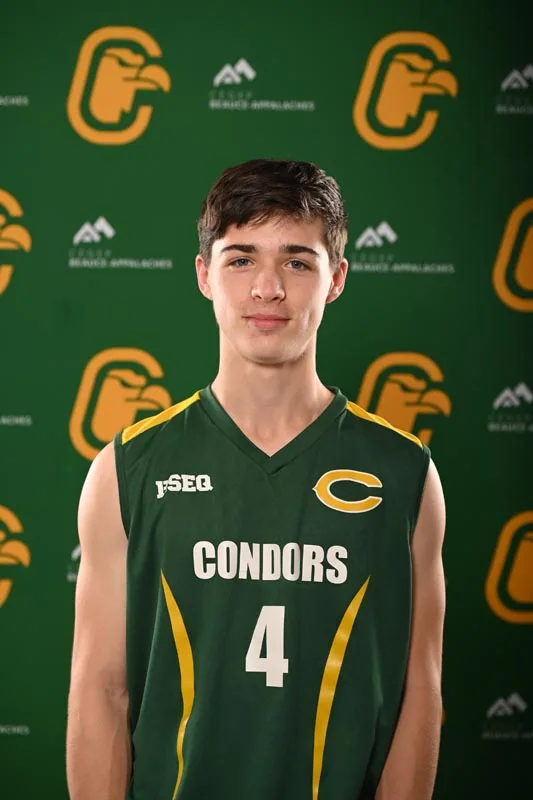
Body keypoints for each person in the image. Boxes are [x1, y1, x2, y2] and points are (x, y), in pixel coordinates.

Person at [67, 159, 446, 800]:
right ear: (204, 275)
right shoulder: (128, 469)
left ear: (336, 279)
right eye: (241, 259)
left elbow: (420, 692)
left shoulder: (404, 473)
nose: (268, 288)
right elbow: (103, 689)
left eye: (297, 261)